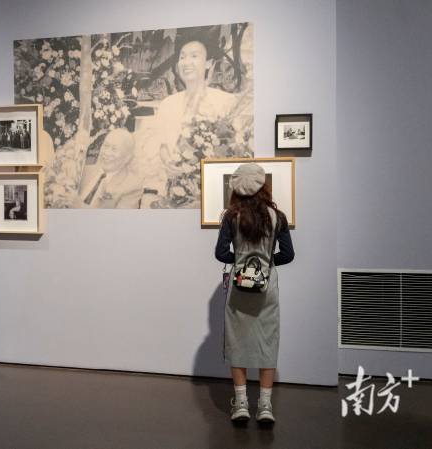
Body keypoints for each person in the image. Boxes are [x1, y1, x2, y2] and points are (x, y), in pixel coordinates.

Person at [214, 163, 294, 423]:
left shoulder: (231, 216)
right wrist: (266, 264)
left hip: (239, 289)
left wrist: (241, 262)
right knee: (267, 341)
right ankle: (265, 406)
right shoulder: (277, 216)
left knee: (237, 341)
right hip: (267, 288)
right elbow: (288, 255)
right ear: (263, 186)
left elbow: (220, 253)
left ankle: (241, 404)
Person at [141, 35, 239, 207]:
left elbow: (235, 150)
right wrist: (167, 162)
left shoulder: (226, 102)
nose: (186, 62)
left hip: (211, 193)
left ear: (209, 63)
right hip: (172, 190)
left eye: (194, 56)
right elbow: (161, 143)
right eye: (182, 57)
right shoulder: (167, 104)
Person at [77, 128, 144, 208]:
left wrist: (77, 205)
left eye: (114, 149)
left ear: (127, 158)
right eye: (106, 146)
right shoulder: (85, 170)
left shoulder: (132, 186)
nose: (106, 153)